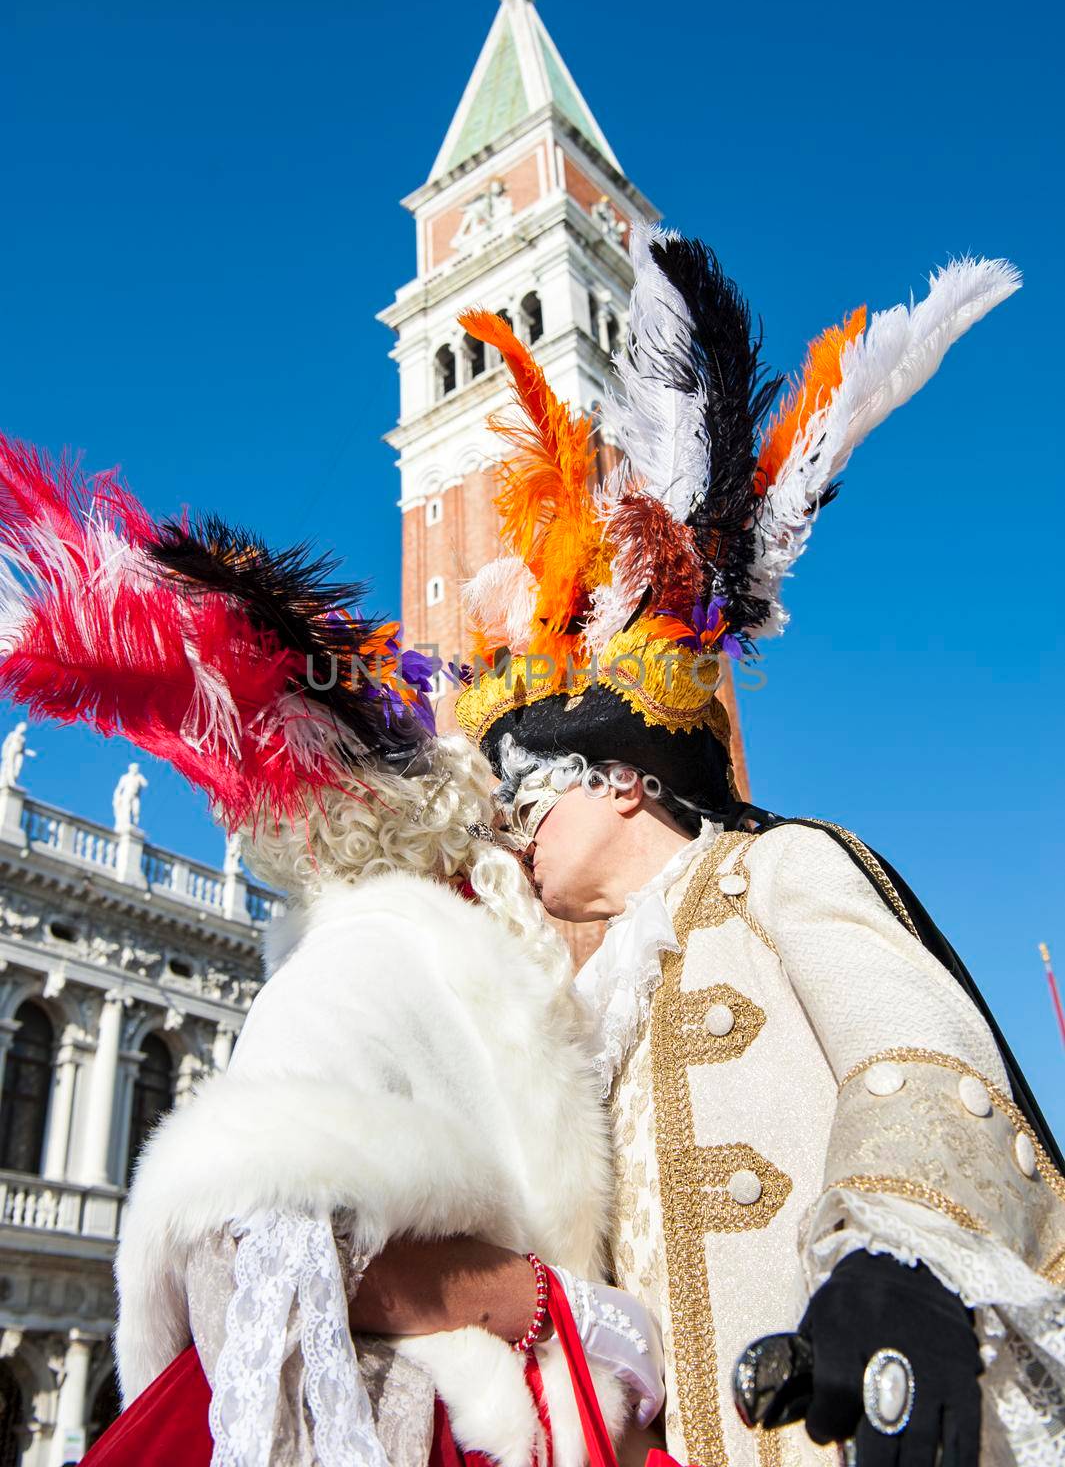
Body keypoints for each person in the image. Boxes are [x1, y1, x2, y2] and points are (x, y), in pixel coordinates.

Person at [450, 228, 1064, 1464]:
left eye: (536, 808)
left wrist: (899, 1252)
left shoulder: (779, 869)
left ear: (625, 785)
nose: (520, 843)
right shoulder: (578, 1010)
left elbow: (917, 1051)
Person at [0, 438, 663, 1467]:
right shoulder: (370, 954)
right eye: (501, 816)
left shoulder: (434, 959)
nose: (520, 840)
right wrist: (544, 1303)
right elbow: (253, 1233)